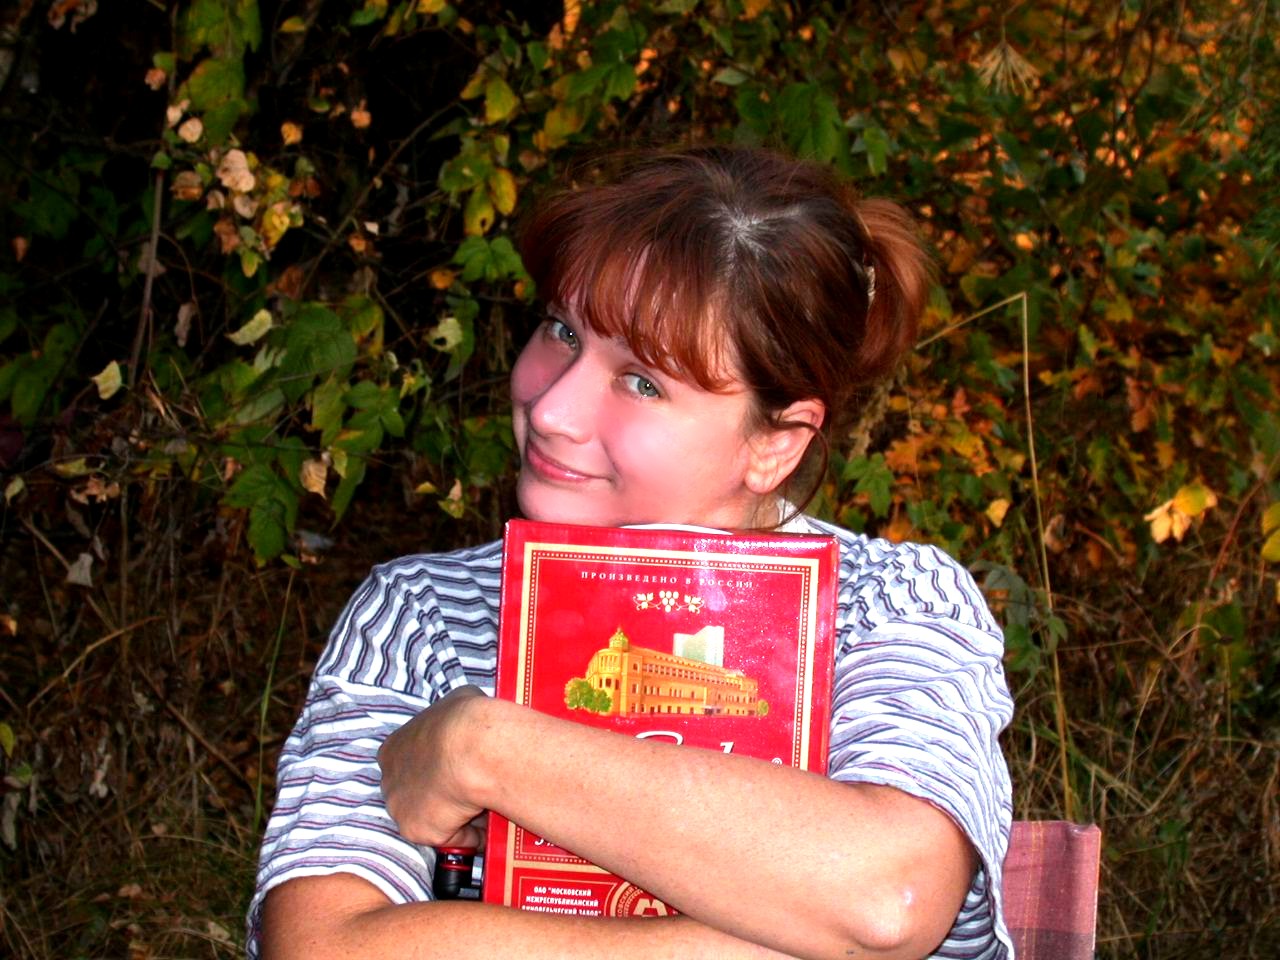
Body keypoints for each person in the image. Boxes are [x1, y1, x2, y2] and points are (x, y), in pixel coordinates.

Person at [249, 145, 1014, 960]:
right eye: (561, 331)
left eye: (643, 381)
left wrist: (484, 748)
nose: (553, 409)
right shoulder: (423, 617)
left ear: (775, 445)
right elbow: (320, 948)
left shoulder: (887, 605)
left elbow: (889, 898)